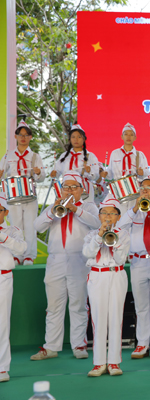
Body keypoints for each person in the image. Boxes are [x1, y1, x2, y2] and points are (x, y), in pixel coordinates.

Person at [31, 170, 101, 361]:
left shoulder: (89, 206)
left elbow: (97, 224)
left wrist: (75, 209)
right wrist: (52, 212)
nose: (69, 190)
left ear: (81, 189)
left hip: (79, 260)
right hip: (56, 260)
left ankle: (79, 345)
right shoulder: (53, 206)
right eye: (66, 187)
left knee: (78, 304)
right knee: (53, 305)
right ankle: (51, 347)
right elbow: (37, 227)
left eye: (73, 187)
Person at [116, 172, 150, 359]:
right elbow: (120, 228)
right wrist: (134, 209)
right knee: (141, 305)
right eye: (142, 188)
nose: (145, 191)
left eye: (149, 188)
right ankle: (142, 343)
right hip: (138, 261)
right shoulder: (133, 212)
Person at [83, 194, 131, 377]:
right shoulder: (91, 234)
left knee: (116, 318)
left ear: (118, 217)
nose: (107, 217)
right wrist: (99, 236)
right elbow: (87, 253)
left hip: (116, 274)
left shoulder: (124, 234)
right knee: (98, 319)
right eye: (104, 213)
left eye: (112, 213)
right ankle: (98, 363)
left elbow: (120, 258)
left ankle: (114, 362)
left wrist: (114, 241)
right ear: (99, 216)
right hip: (97, 275)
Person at [0, 120, 45, 265]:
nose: (23, 138)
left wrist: (38, 173)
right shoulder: (8, 156)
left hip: (30, 195)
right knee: (15, 225)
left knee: (31, 225)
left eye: (26, 135)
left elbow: (42, 178)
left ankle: (29, 256)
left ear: (30, 137)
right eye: (20, 135)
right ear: (16, 136)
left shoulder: (35, 156)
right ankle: (17, 255)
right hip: (12, 195)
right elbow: (1, 173)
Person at [0, 192, 27, 383]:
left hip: (3, 278)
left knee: (2, 323)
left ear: (6, 212)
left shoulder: (13, 230)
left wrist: (2, 236)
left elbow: (21, 249)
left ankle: (2, 368)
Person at [100, 123, 148, 213]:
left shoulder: (140, 155)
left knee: (134, 215)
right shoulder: (115, 153)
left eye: (131, 135)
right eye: (126, 134)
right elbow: (110, 174)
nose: (128, 137)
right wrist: (105, 174)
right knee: (119, 216)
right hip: (118, 191)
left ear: (135, 137)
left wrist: (143, 173)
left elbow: (146, 174)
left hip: (134, 192)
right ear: (122, 136)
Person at [51, 124, 100, 204]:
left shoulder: (90, 156)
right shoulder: (64, 156)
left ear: (84, 139)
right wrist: (54, 173)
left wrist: (90, 171)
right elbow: (57, 173)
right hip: (67, 190)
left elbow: (96, 176)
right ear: (70, 140)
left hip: (84, 192)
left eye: (79, 137)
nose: (76, 139)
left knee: (84, 210)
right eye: (73, 137)